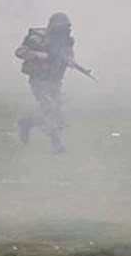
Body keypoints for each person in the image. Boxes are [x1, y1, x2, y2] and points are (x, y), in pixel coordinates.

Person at [14, 12, 89, 154]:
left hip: (55, 80)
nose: (64, 32)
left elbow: (68, 56)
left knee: (56, 113)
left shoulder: (66, 41)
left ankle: (27, 123)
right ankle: (57, 143)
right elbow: (19, 52)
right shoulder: (38, 38)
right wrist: (40, 55)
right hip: (39, 80)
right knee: (49, 108)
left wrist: (70, 61)